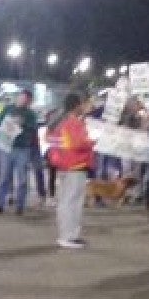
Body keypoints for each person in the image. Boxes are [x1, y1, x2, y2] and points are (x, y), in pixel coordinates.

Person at [47, 92, 95, 250]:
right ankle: (68, 236)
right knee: (72, 202)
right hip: (75, 164)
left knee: (67, 201)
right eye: (82, 103)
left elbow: (54, 141)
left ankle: (70, 235)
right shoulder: (73, 122)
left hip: (64, 165)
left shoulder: (59, 121)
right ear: (76, 106)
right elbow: (77, 143)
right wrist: (91, 142)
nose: (84, 106)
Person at [0, 90, 39, 215]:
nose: (23, 101)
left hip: (22, 149)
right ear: (18, 98)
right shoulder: (7, 109)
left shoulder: (31, 114)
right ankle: (0, 204)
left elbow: (33, 128)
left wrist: (22, 124)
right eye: (22, 98)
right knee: (4, 177)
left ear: (29, 101)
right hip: (7, 147)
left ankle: (20, 206)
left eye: (27, 99)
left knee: (22, 179)